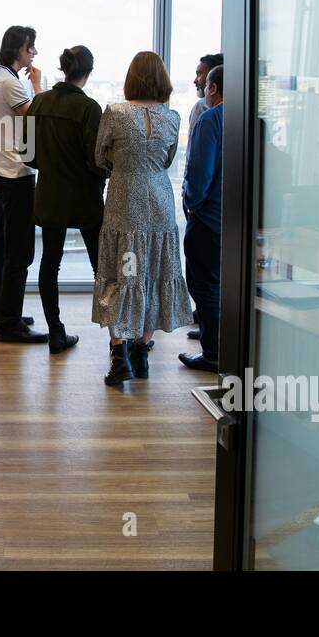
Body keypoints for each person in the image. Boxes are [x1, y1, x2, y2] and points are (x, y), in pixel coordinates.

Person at [93, 51, 190, 386]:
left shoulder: (115, 113)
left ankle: (119, 354)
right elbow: (168, 160)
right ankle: (141, 352)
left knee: (123, 272)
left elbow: (99, 157)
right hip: (160, 200)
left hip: (124, 199)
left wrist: (119, 166)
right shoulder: (173, 117)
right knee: (152, 272)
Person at [29, 45, 108, 355]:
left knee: (50, 263)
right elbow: (96, 160)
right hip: (85, 197)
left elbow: (29, 156)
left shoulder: (39, 103)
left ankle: (56, 333)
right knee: (102, 267)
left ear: (64, 70)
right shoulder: (90, 109)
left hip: (49, 195)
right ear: (87, 74)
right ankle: (118, 340)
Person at [0, 25, 44, 342]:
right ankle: (10, 324)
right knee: (19, 252)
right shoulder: (12, 83)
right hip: (16, 175)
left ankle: (0, 312)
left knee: (1, 248)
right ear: (20, 48)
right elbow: (38, 118)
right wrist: (37, 84)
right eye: (30, 48)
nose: (33, 53)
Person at [179, 64, 224, 371]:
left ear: (213, 88)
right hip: (235, 223)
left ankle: (213, 352)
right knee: (222, 287)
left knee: (202, 285)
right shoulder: (252, 119)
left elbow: (200, 173)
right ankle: (228, 347)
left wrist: (191, 203)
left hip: (208, 219)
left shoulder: (210, 120)